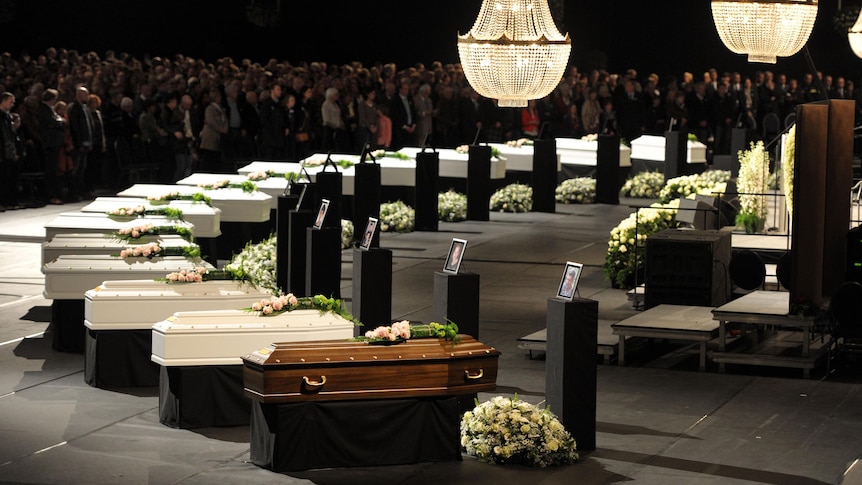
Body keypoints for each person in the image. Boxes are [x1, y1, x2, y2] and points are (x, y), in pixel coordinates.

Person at [38, 89, 66, 205]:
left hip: (54, 143)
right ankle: (50, 195)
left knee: (54, 170)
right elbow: (56, 122)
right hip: (50, 143)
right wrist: (60, 121)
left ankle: (54, 194)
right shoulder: (44, 109)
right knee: (51, 170)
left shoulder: (50, 109)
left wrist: (60, 121)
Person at [198, 88, 228, 172]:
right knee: (208, 159)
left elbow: (225, 121)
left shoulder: (221, 109)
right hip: (210, 137)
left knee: (216, 159)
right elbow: (211, 121)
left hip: (218, 138)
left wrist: (224, 129)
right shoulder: (209, 109)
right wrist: (221, 129)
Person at [0, 92, 21, 210]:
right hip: (3, 151)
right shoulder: (2, 116)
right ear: (3, 101)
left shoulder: (7, 116)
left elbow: (10, 135)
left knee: (9, 177)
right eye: (10, 102)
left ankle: (9, 201)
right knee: (2, 178)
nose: (12, 104)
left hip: (8, 151)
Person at [258, 83, 287, 160]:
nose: (280, 92)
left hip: (279, 136)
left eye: (280, 90)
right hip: (270, 137)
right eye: (278, 90)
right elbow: (264, 120)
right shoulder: (266, 104)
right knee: (270, 157)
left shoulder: (280, 104)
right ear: (272, 91)